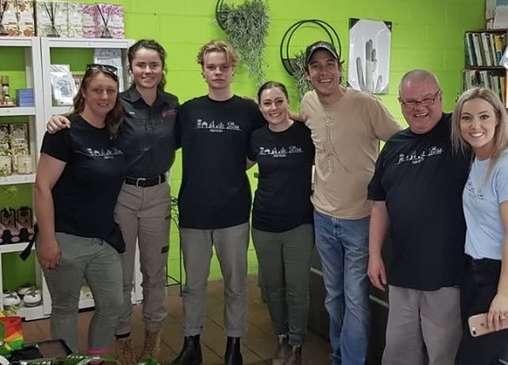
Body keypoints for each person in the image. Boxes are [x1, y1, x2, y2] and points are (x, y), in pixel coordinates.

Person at [367, 69, 508, 365]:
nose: (419, 107)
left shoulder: (461, 130)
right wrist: (374, 254)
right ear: (400, 103)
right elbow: (379, 205)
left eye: (427, 98)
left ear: (440, 98)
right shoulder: (394, 146)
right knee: (398, 353)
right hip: (403, 269)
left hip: (447, 274)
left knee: (446, 355)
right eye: (410, 101)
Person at [46, 39, 180, 364]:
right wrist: (58, 119)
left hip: (159, 194)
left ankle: (153, 334)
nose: (147, 71)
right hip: (122, 194)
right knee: (121, 273)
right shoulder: (117, 103)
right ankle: (121, 335)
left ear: (162, 69)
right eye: (141, 65)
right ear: (130, 68)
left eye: (154, 65)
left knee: (155, 271)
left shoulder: (173, 105)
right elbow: (86, 122)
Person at [300, 40, 402, 365]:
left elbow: (400, 140)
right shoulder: (307, 103)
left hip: (360, 219)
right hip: (322, 216)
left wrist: (389, 182)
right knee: (333, 298)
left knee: (356, 300)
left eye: (329, 64)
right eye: (316, 66)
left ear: (340, 68)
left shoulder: (365, 104)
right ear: (308, 73)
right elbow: (306, 124)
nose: (324, 71)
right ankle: (338, 356)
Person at [171, 40, 265, 365]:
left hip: (234, 211)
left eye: (224, 66)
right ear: (203, 71)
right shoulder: (189, 111)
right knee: (193, 285)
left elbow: (265, 140)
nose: (218, 72)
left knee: (236, 286)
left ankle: (234, 346)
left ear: (232, 69)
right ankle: (191, 343)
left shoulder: (249, 110)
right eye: (211, 66)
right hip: (194, 212)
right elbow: (157, 141)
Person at [34, 63, 127, 356]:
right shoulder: (64, 131)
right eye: (97, 89)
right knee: (65, 308)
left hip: (104, 239)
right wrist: (48, 240)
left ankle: (94, 360)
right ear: (84, 92)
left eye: (110, 91)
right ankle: (68, 362)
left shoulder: (115, 133)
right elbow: (42, 187)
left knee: (113, 304)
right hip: (66, 238)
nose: (104, 96)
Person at [451, 87, 508, 364]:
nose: (475, 125)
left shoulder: (507, 166)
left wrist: (503, 295)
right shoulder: (478, 158)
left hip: (505, 275)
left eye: (484, 117)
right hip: (475, 270)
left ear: (499, 120)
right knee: (482, 356)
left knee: (472, 359)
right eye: (467, 118)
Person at [247, 81, 315, 365]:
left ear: (288, 102)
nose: (273, 108)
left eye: (278, 101)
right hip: (263, 222)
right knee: (272, 286)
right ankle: (282, 338)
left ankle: (297, 343)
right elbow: (240, 165)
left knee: (297, 286)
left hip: (299, 222)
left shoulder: (306, 134)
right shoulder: (257, 137)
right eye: (267, 103)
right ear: (260, 107)